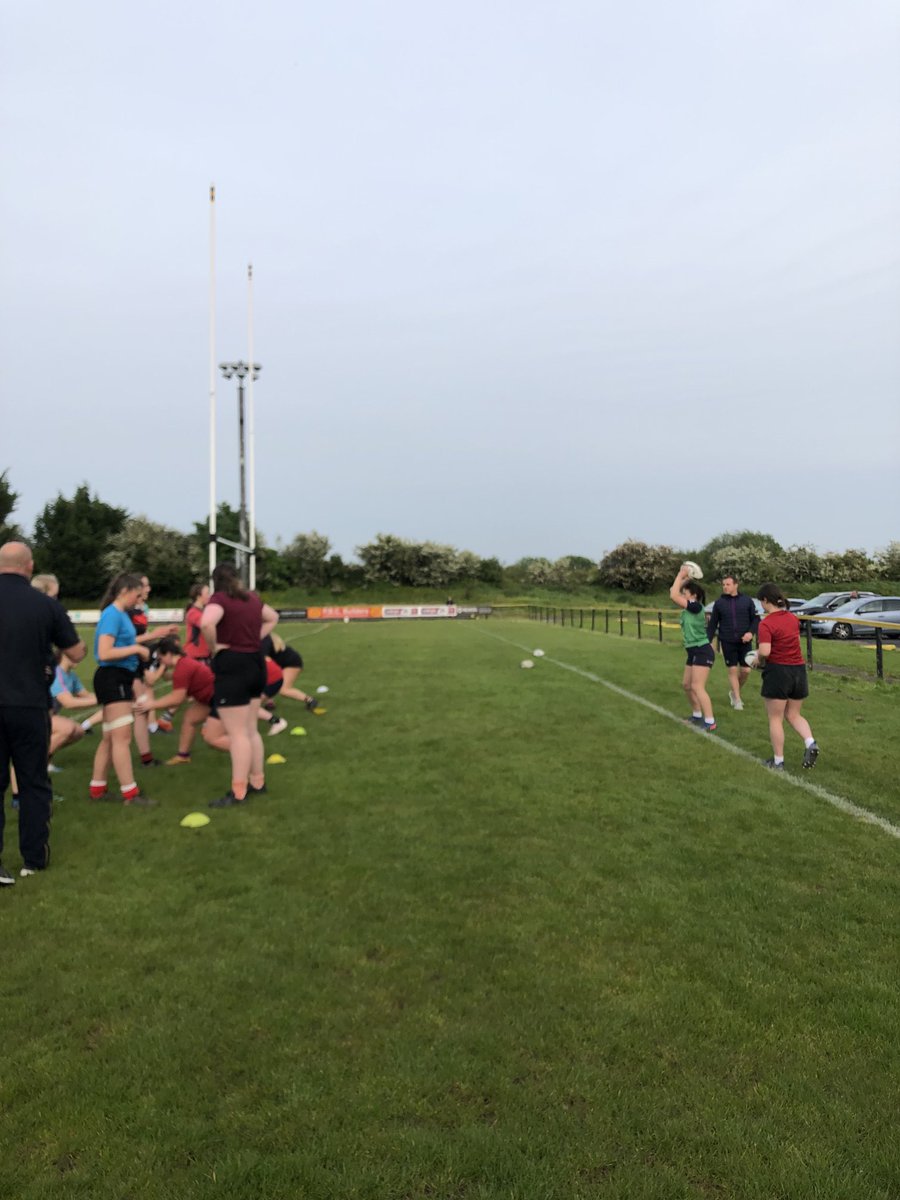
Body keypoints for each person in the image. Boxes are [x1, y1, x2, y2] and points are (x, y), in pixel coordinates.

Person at [0, 541, 85, 883]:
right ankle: (33, 859)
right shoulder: (45, 604)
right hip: (29, 705)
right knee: (34, 782)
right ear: (29, 566)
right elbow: (77, 653)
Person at [200, 562, 279, 807]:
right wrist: (254, 638)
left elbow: (206, 623)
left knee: (237, 734)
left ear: (215, 581)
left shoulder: (219, 599)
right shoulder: (252, 599)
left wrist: (214, 647)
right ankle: (257, 781)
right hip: (256, 664)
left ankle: (239, 792)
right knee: (251, 729)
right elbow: (273, 617)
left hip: (233, 665)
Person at [89, 573, 155, 806]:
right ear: (125, 590)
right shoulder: (112, 615)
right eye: (137, 595)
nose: (139, 601)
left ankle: (98, 789)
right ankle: (131, 794)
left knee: (109, 737)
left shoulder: (120, 615)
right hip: (113, 677)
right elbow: (105, 653)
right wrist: (136, 650)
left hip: (119, 677)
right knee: (121, 738)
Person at [752, 583, 819, 770]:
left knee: (776, 718)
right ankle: (810, 742)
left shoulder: (766, 623)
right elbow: (795, 642)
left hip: (778, 671)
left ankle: (778, 761)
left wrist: (757, 657)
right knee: (794, 714)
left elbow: (765, 650)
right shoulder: (791, 618)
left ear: (766, 600)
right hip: (798, 669)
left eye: (761, 602)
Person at [136, 638, 215, 765]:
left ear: (168, 654)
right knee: (190, 718)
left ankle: (246, 756)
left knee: (215, 738)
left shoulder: (183, 667)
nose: (160, 662)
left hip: (222, 700)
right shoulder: (182, 664)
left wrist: (151, 705)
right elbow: (172, 680)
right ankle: (183, 756)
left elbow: (177, 699)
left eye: (161, 658)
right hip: (211, 700)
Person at [669, 565, 716, 733]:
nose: (682, 595)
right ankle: (697, 715)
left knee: (697, 686)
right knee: (687, 685)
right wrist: (685, 578)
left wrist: (681, 573)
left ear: (693, 596)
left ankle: (710, 721)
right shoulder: (688, 608)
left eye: (685, 593)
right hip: (692, 651)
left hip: (702, 650)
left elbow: (673, 594)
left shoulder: (695, 607)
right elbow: (674, 590)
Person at [706, 574, 759, 711]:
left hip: (745, 642)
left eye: (728, 584)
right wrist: (708, 641)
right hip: (727, 641)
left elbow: (755, 620)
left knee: (746, 671)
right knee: (732, 670)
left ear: (736, 585)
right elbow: (713, 624)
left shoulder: (747, 601)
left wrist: (750, 633)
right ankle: (737, 699)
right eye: (723, 585)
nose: (725, 587)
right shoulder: (719, 603)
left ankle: (734, 692)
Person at [260, 632, 317, 710]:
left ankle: (310, 700)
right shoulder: (259, 638)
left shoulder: (264, 639)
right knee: (264, 680)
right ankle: (269, 702)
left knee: (284, 690)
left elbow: (265, 660)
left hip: (290, 663)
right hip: (279, 663)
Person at [183, 582, 212, 662]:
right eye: (207, 593)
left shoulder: (202, 612)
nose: (210, 596)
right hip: (196, 655)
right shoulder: (193, 613)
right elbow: (207, 625)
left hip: (203, 654)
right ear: (199, 597)